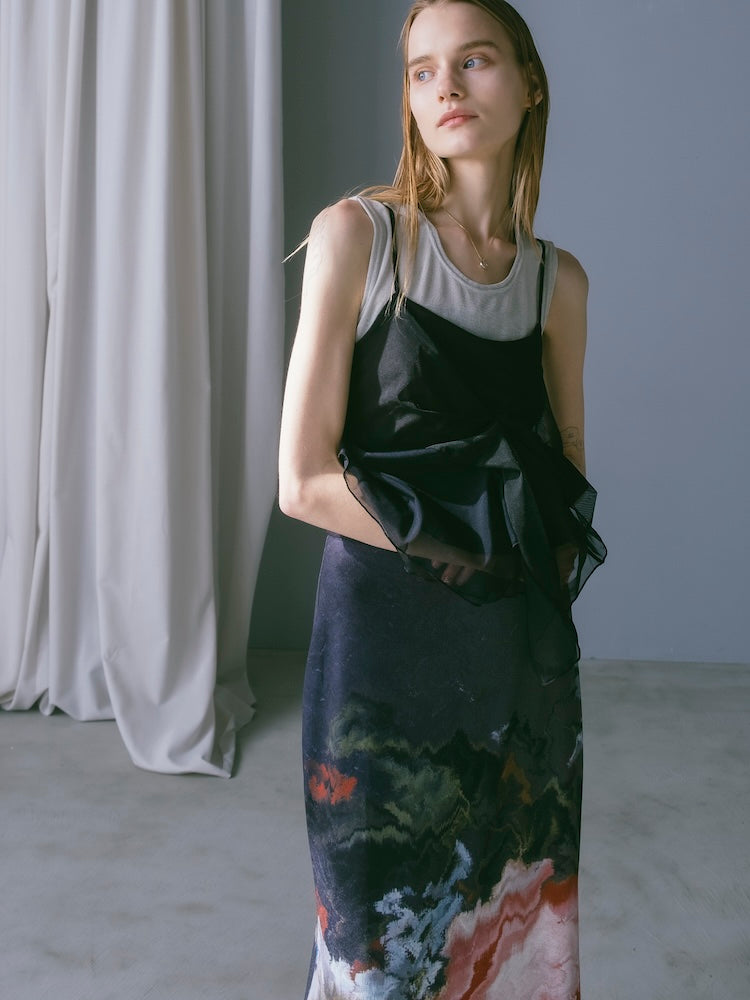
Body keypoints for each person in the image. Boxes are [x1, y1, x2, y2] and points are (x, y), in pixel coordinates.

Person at [278, 1, 606, 996]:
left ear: (530, 83)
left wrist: (526, 580)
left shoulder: (557, 284)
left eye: (473, 61)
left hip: (511, 665)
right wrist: (460, 542)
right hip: (378, 663)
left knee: (506, 935)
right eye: (422, 70)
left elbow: (565, 480)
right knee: (377, 951)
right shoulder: (358, 238)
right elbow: (302, 481)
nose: (446, 88)